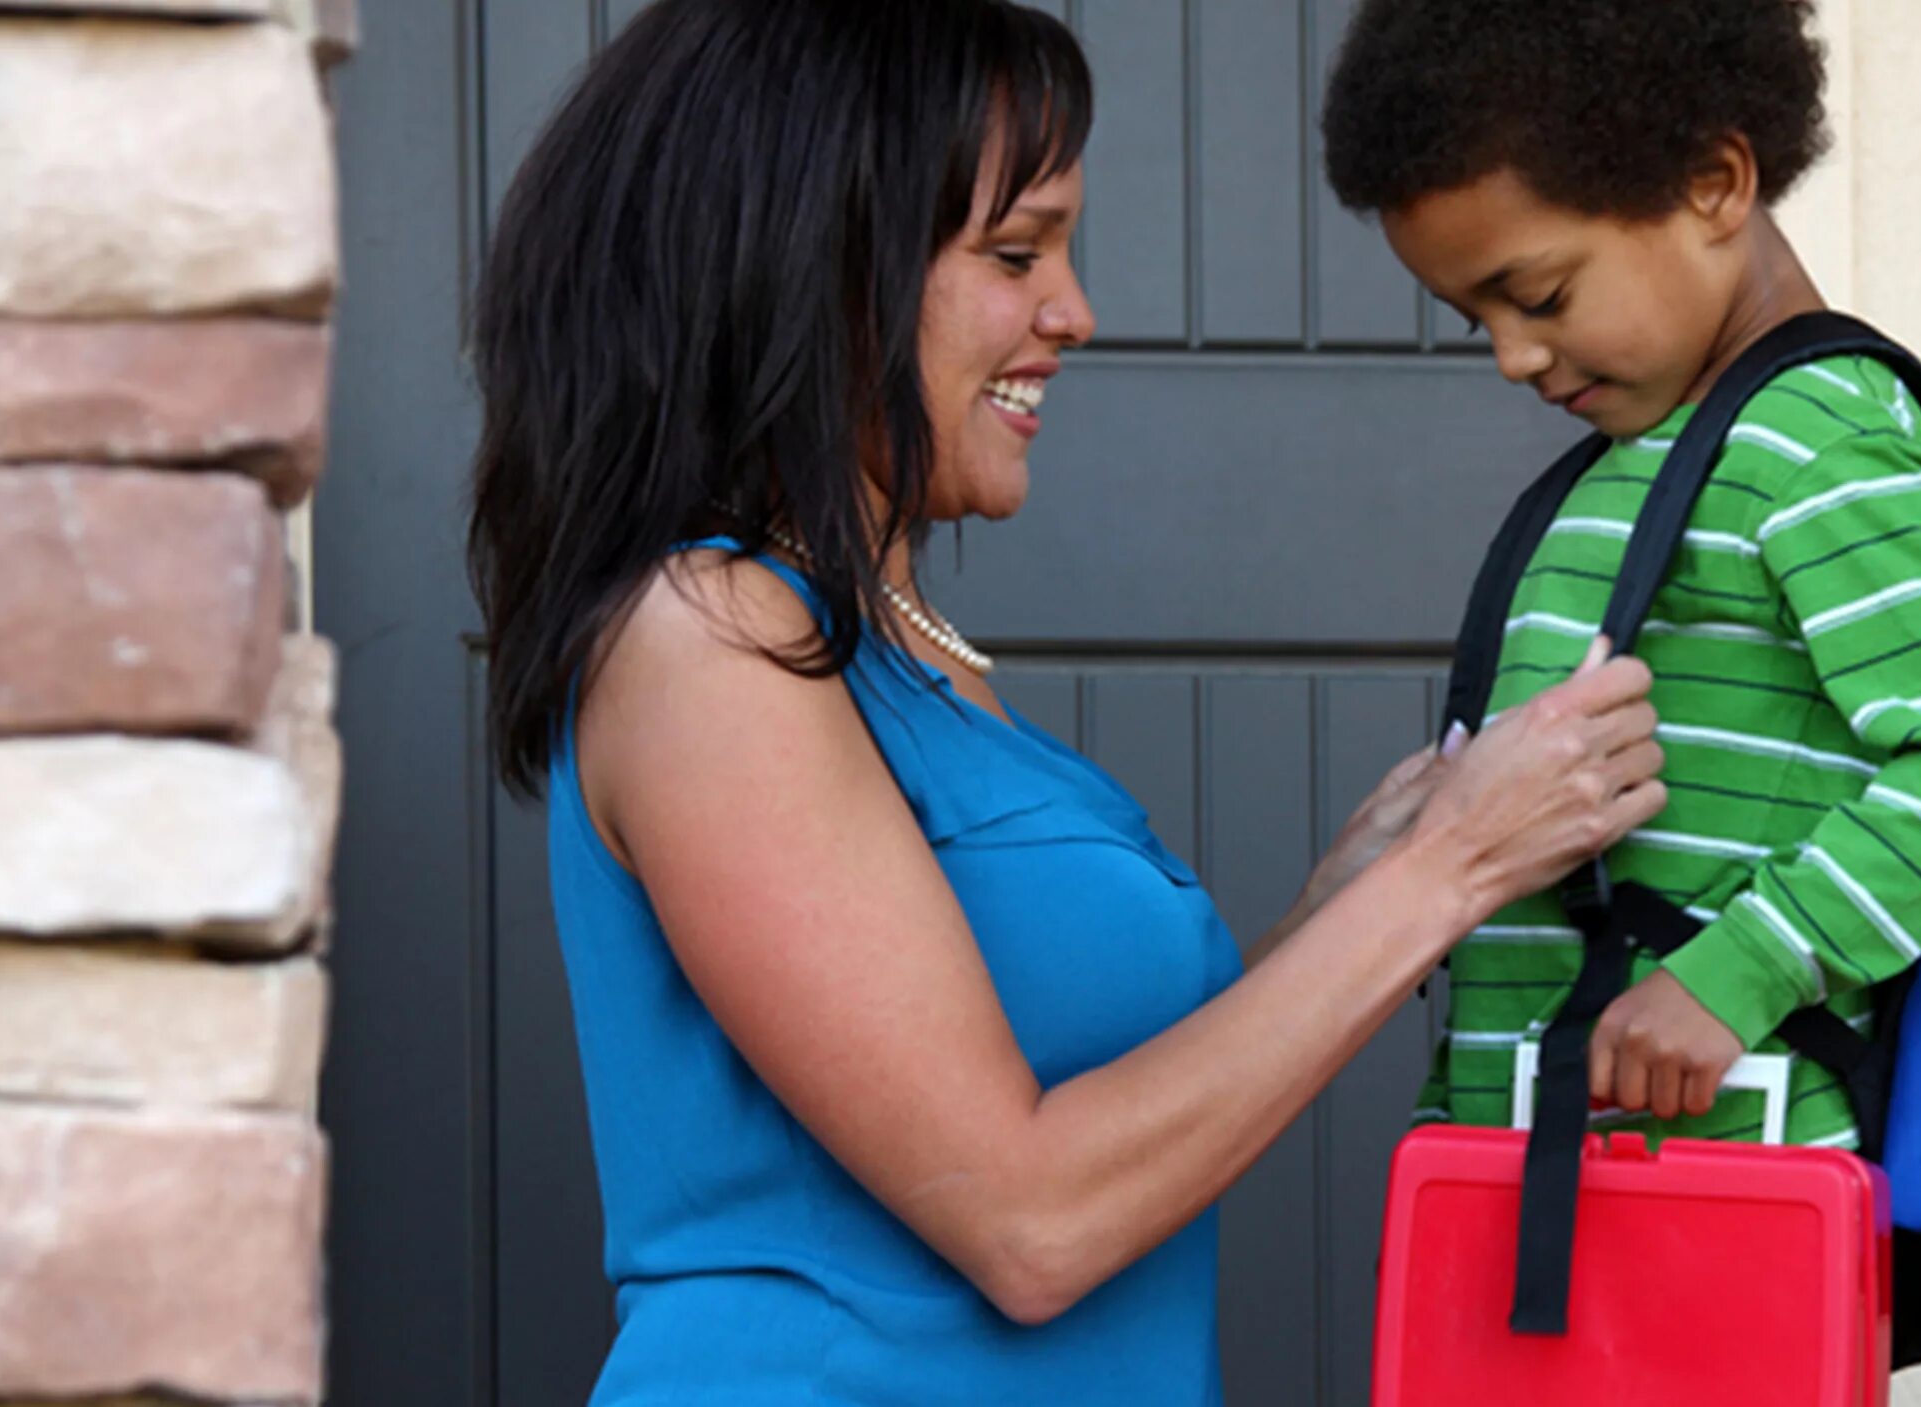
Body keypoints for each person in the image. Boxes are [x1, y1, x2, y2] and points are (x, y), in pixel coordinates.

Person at [464, 2, 1667, 1403]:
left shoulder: (903, 655)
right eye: (1017, 252)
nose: (1074, 312)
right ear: (818, 263)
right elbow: (1031, 1217)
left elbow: (1094, 1101)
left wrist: (1365, 887)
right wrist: (1451, 874)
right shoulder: (707, 640)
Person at [1321, 0, 1921, 1147]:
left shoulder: (1821, 446)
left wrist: (1744, 971)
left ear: (1714, 182)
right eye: (1473, 315)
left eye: (1538, 296)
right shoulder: (1666, 453)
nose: (1513, 356)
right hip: (1551, 1168)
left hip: (1723, 1185)